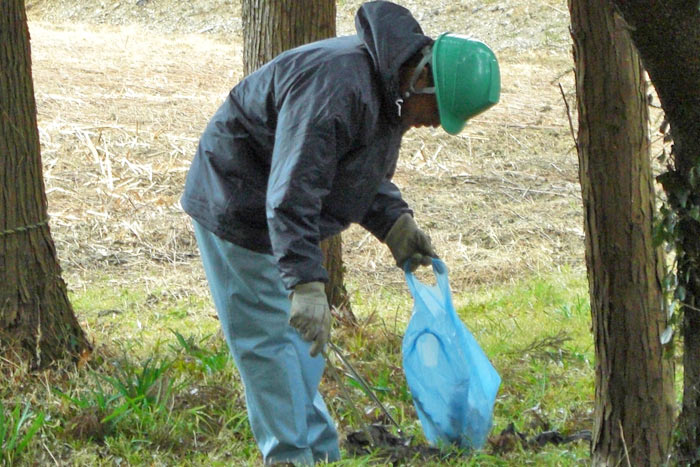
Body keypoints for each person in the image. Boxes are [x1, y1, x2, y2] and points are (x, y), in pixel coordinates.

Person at [180, 1, 500, 464]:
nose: (435, 124)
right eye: (440, 110)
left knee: (301, 347)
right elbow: (293, 190)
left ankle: (320, 453)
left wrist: (395, 224)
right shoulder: (337, 87)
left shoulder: (390, 92)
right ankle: (291, 457)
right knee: (271, 350)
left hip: (277, 205)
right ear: (424, 77)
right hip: (238, 201)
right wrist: (306, 283)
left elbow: (353, 169)